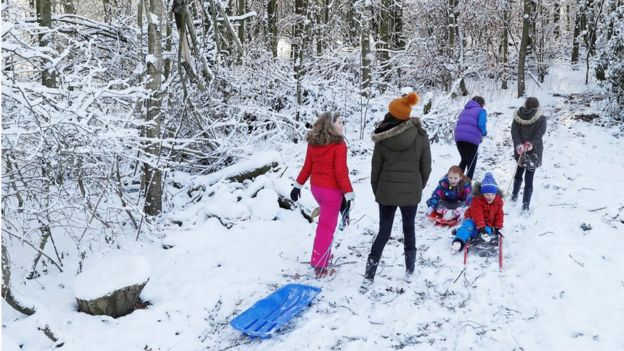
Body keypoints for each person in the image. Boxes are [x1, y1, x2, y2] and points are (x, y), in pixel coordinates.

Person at [360, 92, 432, 293]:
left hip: (386, 192)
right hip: (411, 193)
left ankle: (369, 275)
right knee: (409, 229)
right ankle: (410, 271)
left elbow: (376, 169)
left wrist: (379, 191)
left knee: (383, 232)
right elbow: (426, 168)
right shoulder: (420, 136)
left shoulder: (382, 138)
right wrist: (417, 186)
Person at [290, 112, 355, 278]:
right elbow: (341, 173)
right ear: (330, 126)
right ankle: (320, 265)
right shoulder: (339, 145)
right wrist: (349, 194)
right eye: (339, 122)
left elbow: (307, 167)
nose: (342, 125)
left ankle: (323, 255)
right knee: (326, 228)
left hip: (317, 189)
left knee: (325, 224)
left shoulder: (314, 142)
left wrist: (297, 186)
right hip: (331, 192)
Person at [450, 172, 504, 253]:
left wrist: (497, 226)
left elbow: (499, 214)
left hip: (487, 223)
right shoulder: (477, 201)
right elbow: (477, 214)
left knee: (488, 230)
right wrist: (481, 227)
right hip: (472, 219)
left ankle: (477, 236)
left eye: (493, 194)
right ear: (482, 194)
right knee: (468, 226)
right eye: (487, 195)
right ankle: (459, 241)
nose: (490, 197)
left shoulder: (498, 202)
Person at [511, 97, 547, 213]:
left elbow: (514, 131)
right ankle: (526, 205)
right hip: (534, 151)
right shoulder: (541, 118)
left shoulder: (518, 116)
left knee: (519, 172)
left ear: (525, 105)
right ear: (537, 107)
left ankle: (514, 195)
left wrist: (518, 144)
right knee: (529, 177)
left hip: (521, 150)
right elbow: (540, 132)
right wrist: (531, 143)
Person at [454, 96, 487, 180]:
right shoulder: (481, 111)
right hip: (471, 140)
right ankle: (467, 187)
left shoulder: (464, 110)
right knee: (471, 164)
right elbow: (481, 124)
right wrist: (484, 133)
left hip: (459, 138)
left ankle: (455, 182)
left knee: (464, 160)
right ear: (481, 104)